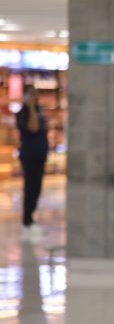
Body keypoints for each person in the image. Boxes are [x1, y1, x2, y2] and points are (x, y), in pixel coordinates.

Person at [16, 86, 50, 240]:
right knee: (30, 187)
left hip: (40, 154)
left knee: (37, 188)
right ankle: (26, 222)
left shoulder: (39, 110)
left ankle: (30, 219)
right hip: (30, 155)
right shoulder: (23, 113)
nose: (36, 98)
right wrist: (30, 107)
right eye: (32, 96)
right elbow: (34, 127)